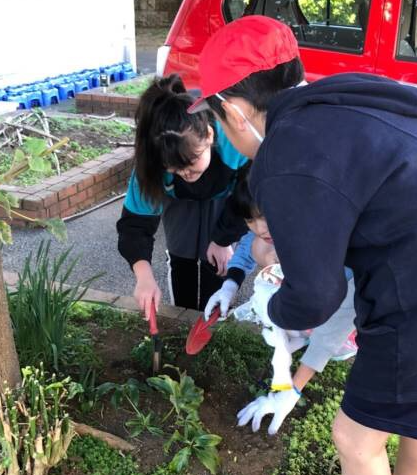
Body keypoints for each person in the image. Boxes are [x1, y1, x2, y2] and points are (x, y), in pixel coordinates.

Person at [189, 15, 417, 475]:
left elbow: (317, 297)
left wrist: (272, 312)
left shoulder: (284, 153)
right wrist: (240, 279)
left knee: (354, 440)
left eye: (216, 117)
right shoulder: (342, 97)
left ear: (233, 111)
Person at [204, 168, 357, 435]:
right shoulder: (277, 225)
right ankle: (297, 331)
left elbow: (344, 314)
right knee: (262, 255)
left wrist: (291, 389)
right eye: (250, 219)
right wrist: (230, 285)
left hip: (351, 318)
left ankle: (313, 336)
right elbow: (252, 245)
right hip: (315, 299)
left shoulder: (326, 239)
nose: (259, 227)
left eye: (264, 217)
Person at [117, 74, 248, 319]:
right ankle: (184, 319)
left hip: (225, 195)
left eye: (191, 163)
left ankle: (212, 323)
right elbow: (134, 226)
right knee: (182, 258)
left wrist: (223, 240)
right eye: (176, 169)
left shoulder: (234, 137)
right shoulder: (150, 165)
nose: (187, 174)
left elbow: (249, 197)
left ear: (209, 136)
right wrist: (143, 277)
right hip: (177, 200)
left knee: (216, 265)